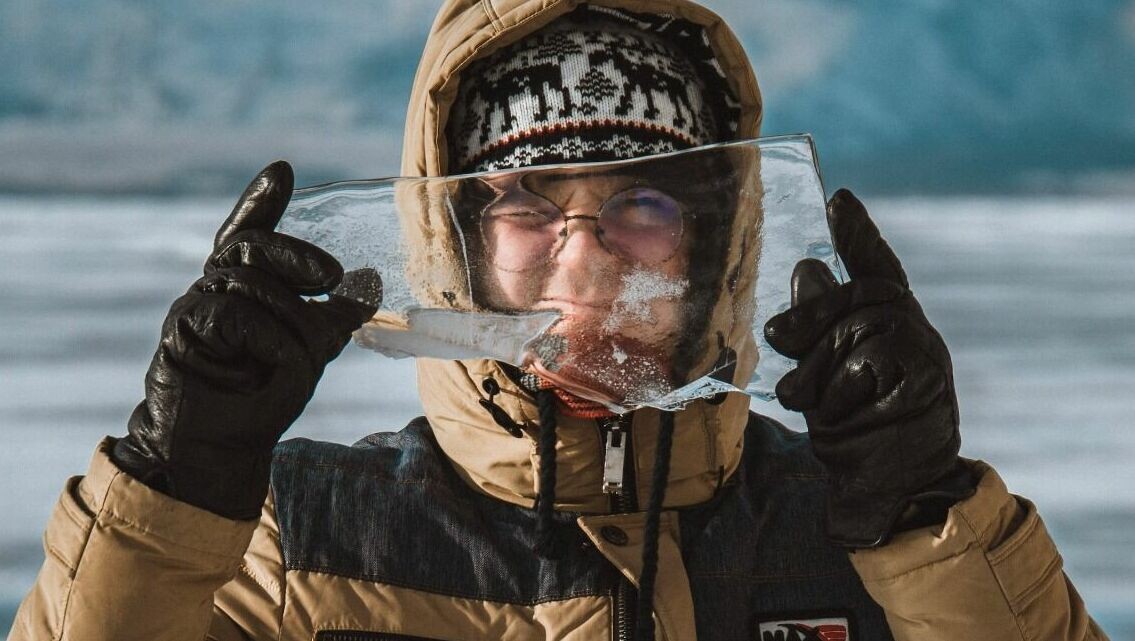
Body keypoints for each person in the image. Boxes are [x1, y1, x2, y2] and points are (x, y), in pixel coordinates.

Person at [10, 2, 1108, 640]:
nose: (583, 257)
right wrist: (169, 498)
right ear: (458, 245)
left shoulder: (862, 531)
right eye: (526, 206)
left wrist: (927, 523)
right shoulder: (304, 538)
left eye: (642, 204)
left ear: (715, 242)